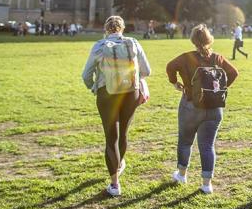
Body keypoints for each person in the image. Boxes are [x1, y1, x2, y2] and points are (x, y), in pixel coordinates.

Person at [82, 16, 151, 197]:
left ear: (106, 29)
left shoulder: (99, 46)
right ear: (122, 28)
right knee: (124, 132)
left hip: (107, 94)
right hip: (130, 93)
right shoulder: (133, 43)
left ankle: (114, 184)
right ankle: (119, 164)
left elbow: (86, 75)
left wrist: (94, 87)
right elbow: (147, 71)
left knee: (111, 136)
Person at [166, 24, 238, 194]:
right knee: (207, 146)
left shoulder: (186, 58)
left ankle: (182, 174)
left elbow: (170, 67)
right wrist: (219, 88)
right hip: (215, 107)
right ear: (209, 39)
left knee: (185, 141)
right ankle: (207, 184)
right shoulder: (218, 58)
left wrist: (175, 82)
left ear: (193, 40)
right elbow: (234, 72)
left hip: (191, 105)